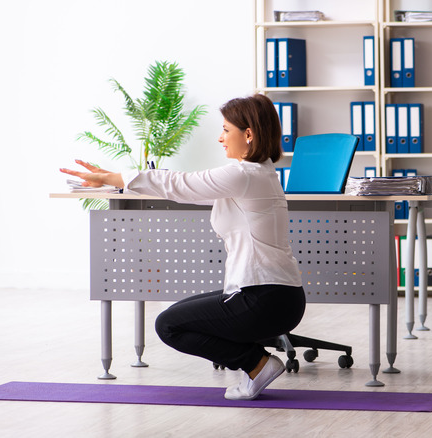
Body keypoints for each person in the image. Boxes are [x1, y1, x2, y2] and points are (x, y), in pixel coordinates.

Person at [60, 94, 305, 401]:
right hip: (276, 296)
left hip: (265, 298)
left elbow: (182, 183)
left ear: (249, 134)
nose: (220, 138)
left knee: (169, 325)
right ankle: (256, 363)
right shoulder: (256, 175)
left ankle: (256, 364)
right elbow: (188, 191)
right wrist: (118, 183)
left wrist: (118, 176)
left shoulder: (244, 175)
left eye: (226, 130)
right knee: (176, 315)